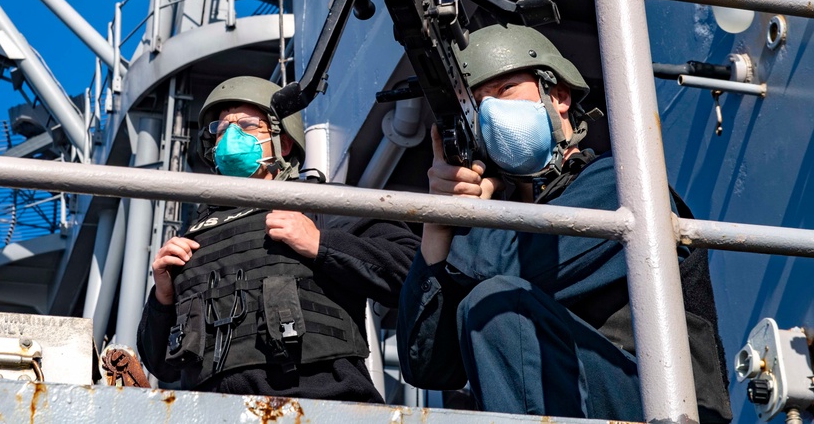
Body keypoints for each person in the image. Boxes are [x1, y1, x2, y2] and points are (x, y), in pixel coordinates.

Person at [397, 24, 731, 421]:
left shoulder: (619, 186)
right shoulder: (494, 231)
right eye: (476, 105)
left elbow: (505, 269)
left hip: (662, 404)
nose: (490, 113)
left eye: (504, 90)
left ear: (557, 96)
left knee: (497, 303)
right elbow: (427, 366)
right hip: (588, 397)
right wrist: (438, 225)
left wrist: (472, 214)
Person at [138, 76, 419, 402]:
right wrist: (163, 297)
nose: (231, 137)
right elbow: (160, 364)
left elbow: (411, 270)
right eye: (221, 129)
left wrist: (321, 245)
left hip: (321, 406)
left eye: (246, 125)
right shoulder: (197, 232)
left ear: (283, 144)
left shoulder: (321, 206)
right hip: (213, 413)